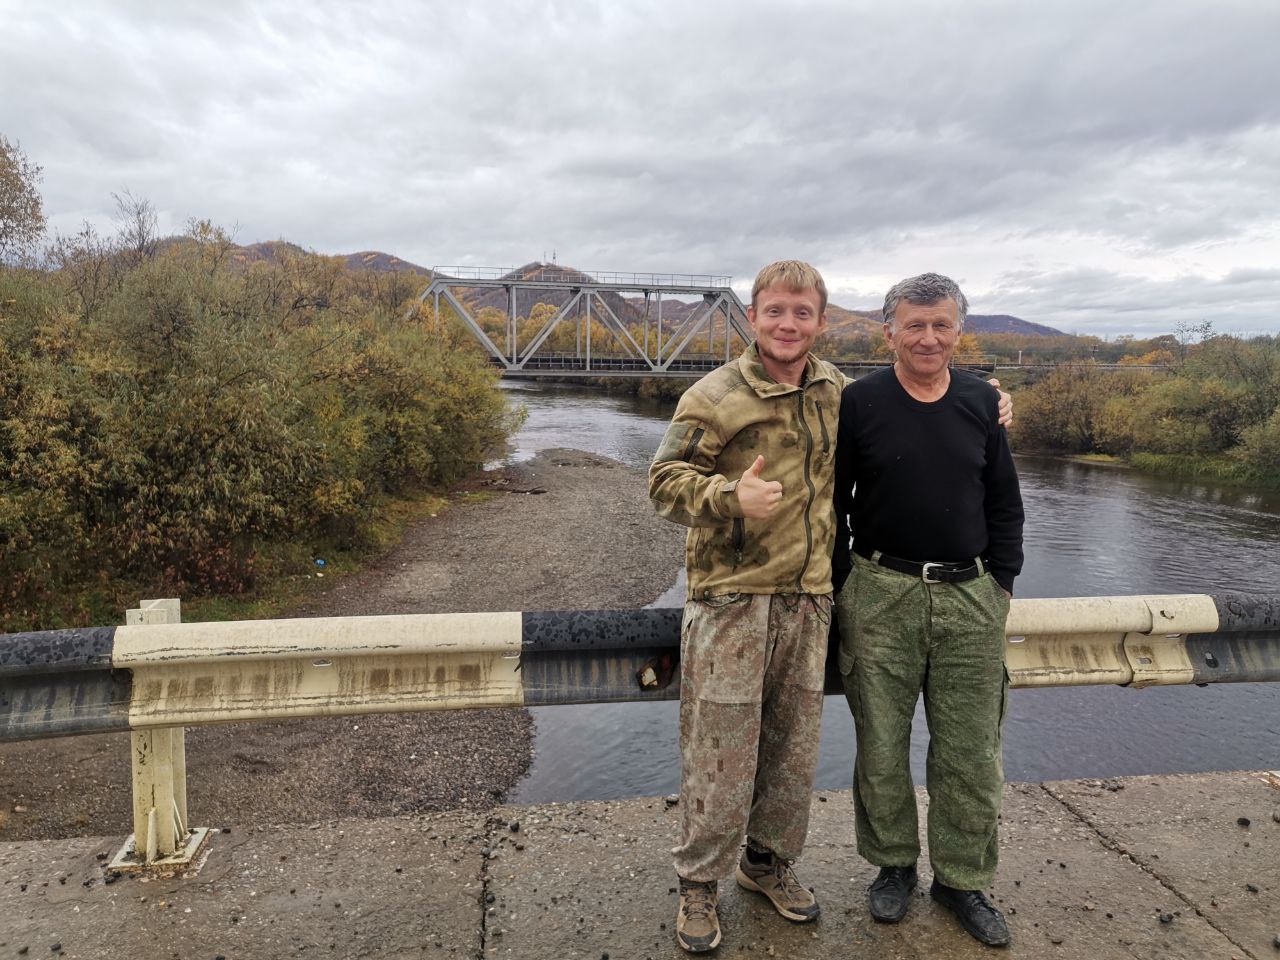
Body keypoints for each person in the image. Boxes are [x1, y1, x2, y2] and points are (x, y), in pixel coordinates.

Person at [650, 261, 1012, 952]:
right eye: (775, 311)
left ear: (821, 321)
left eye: (803, 313)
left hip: (811, 601)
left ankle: (766, 864)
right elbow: (663, 483)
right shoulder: (714, 393)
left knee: (791, 757)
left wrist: (988, 398)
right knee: (720, 756)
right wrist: (730, 498)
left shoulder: (837, 393)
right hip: (733, 600)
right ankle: (699, 886)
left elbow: (917, 402)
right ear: (753, 316)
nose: (788, 324)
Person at [832, 272, 1024, 948]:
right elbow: (833, 505)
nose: (928, 337)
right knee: (881, 746)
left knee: (970, 751)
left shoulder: (980, 401)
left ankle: (962, 879)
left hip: (971, 595)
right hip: (881, 591)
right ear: (889, 331)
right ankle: (893, 867)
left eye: (941, 324)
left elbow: (1004, 499)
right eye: (914, 324)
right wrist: (842, 589)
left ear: (958, 331)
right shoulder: (859, 403)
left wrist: (1002, 582)